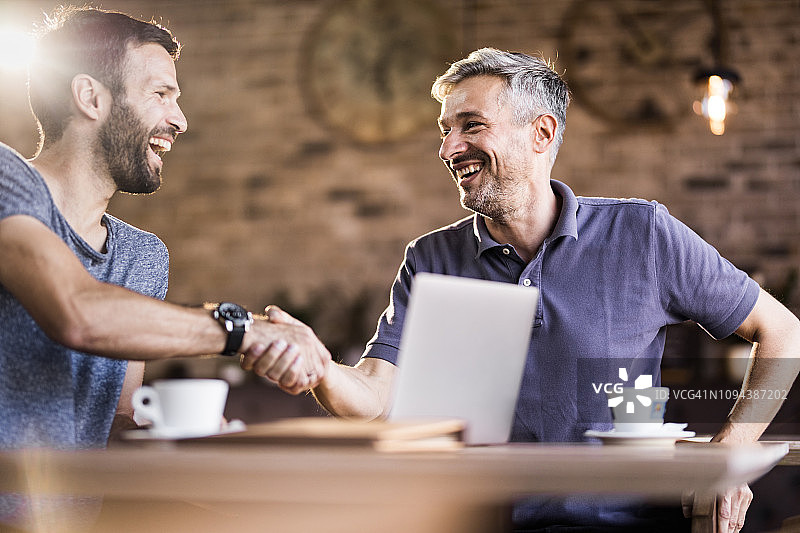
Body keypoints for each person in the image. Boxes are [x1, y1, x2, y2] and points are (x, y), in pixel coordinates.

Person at [248, 48, 800, 532]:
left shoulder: (643, 234)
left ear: (541, 133)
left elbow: (783, 333)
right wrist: (319, 368)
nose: (448, 148)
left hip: (630, 525)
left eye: (470, 125)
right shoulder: (430, 259)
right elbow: (373, 399)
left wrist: (733, 450)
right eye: (445, 130)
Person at [0, 6, 330, 452]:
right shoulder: (5, 178)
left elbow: (116, 419)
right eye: (161, 94)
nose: (181, 120)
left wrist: (194, 438)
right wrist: (243, 330)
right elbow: (78, 314)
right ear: (90, 97)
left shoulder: (142, 256)